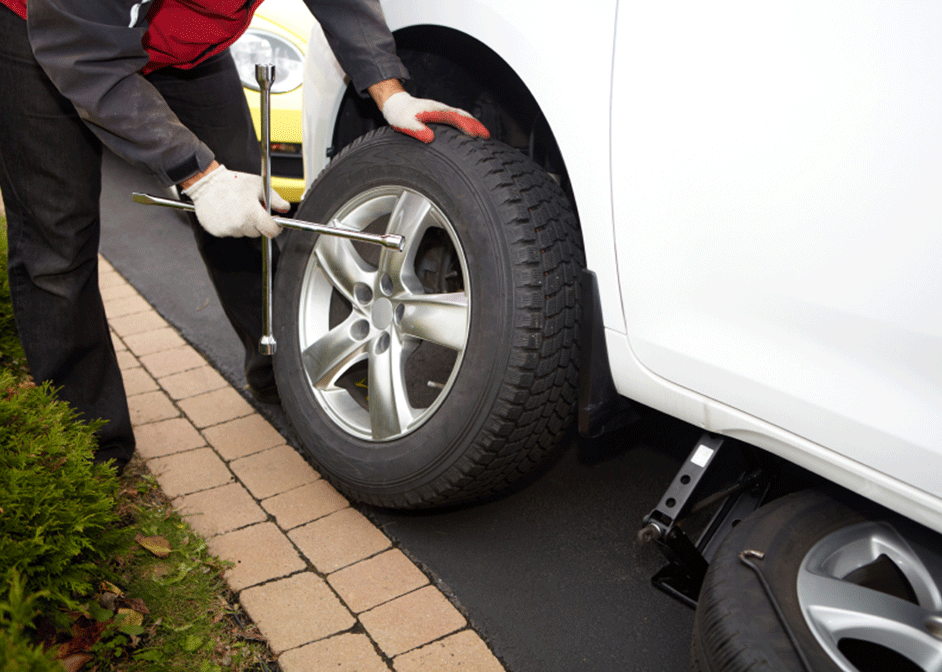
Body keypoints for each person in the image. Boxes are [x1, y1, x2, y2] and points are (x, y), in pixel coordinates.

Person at [0, 0, 488, 472]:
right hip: (52, 34)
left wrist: (390, 92)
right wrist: (199, 176)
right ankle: (88, 449)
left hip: (187, 42)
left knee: (246, 209)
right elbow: (86, 61)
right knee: (56, 246)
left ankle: (283, 372)